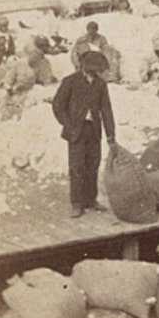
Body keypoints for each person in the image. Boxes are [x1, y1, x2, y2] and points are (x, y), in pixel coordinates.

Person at [52, 51, 117, 218]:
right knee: (76, 167)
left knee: (93, 165)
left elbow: (106, 110)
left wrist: (111, 135)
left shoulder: (101, 85)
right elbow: (58, 106)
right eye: (93, 69)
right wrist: (69, 124)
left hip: (94, 130)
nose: (96, 72)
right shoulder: (70, 81)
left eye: (98, 70)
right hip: (76, 132)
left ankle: (90, 199)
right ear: (84, 67)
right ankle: (76, 203)